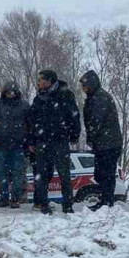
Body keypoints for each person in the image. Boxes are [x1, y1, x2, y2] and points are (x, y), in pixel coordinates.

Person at [28, 70, 81, 215]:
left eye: (40, 80)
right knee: (43, 174)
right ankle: (43, 205)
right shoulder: (39, 98)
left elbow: (74, 115)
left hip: (60, 140)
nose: (38, 82)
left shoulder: (65, 95)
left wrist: (74, 135)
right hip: (42, 141)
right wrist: (31, 141)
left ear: (49, 81)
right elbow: (32, 121)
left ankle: (68, 205)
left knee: (64, 174)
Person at [80, 70, 124, 211]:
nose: (83, 89)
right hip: (105, 142)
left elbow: (95, 121)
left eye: (85, 85)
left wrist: (91, 137)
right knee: (101, 173)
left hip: (108, 143)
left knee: (106, 173)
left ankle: (107, 201)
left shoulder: (99, 98)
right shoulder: (96, 96)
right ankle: (106, 199)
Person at [0, 81, 30, 208]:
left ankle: (15, 198)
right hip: (1, 144)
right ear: (4, 93)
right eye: (8, 92)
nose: (10, 94)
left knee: (17, 173)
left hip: (18, 145)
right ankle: (4, 198)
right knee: (2, 172)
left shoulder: (24, 105)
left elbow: (30, 124)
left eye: (12, 92)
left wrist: (28, 141)